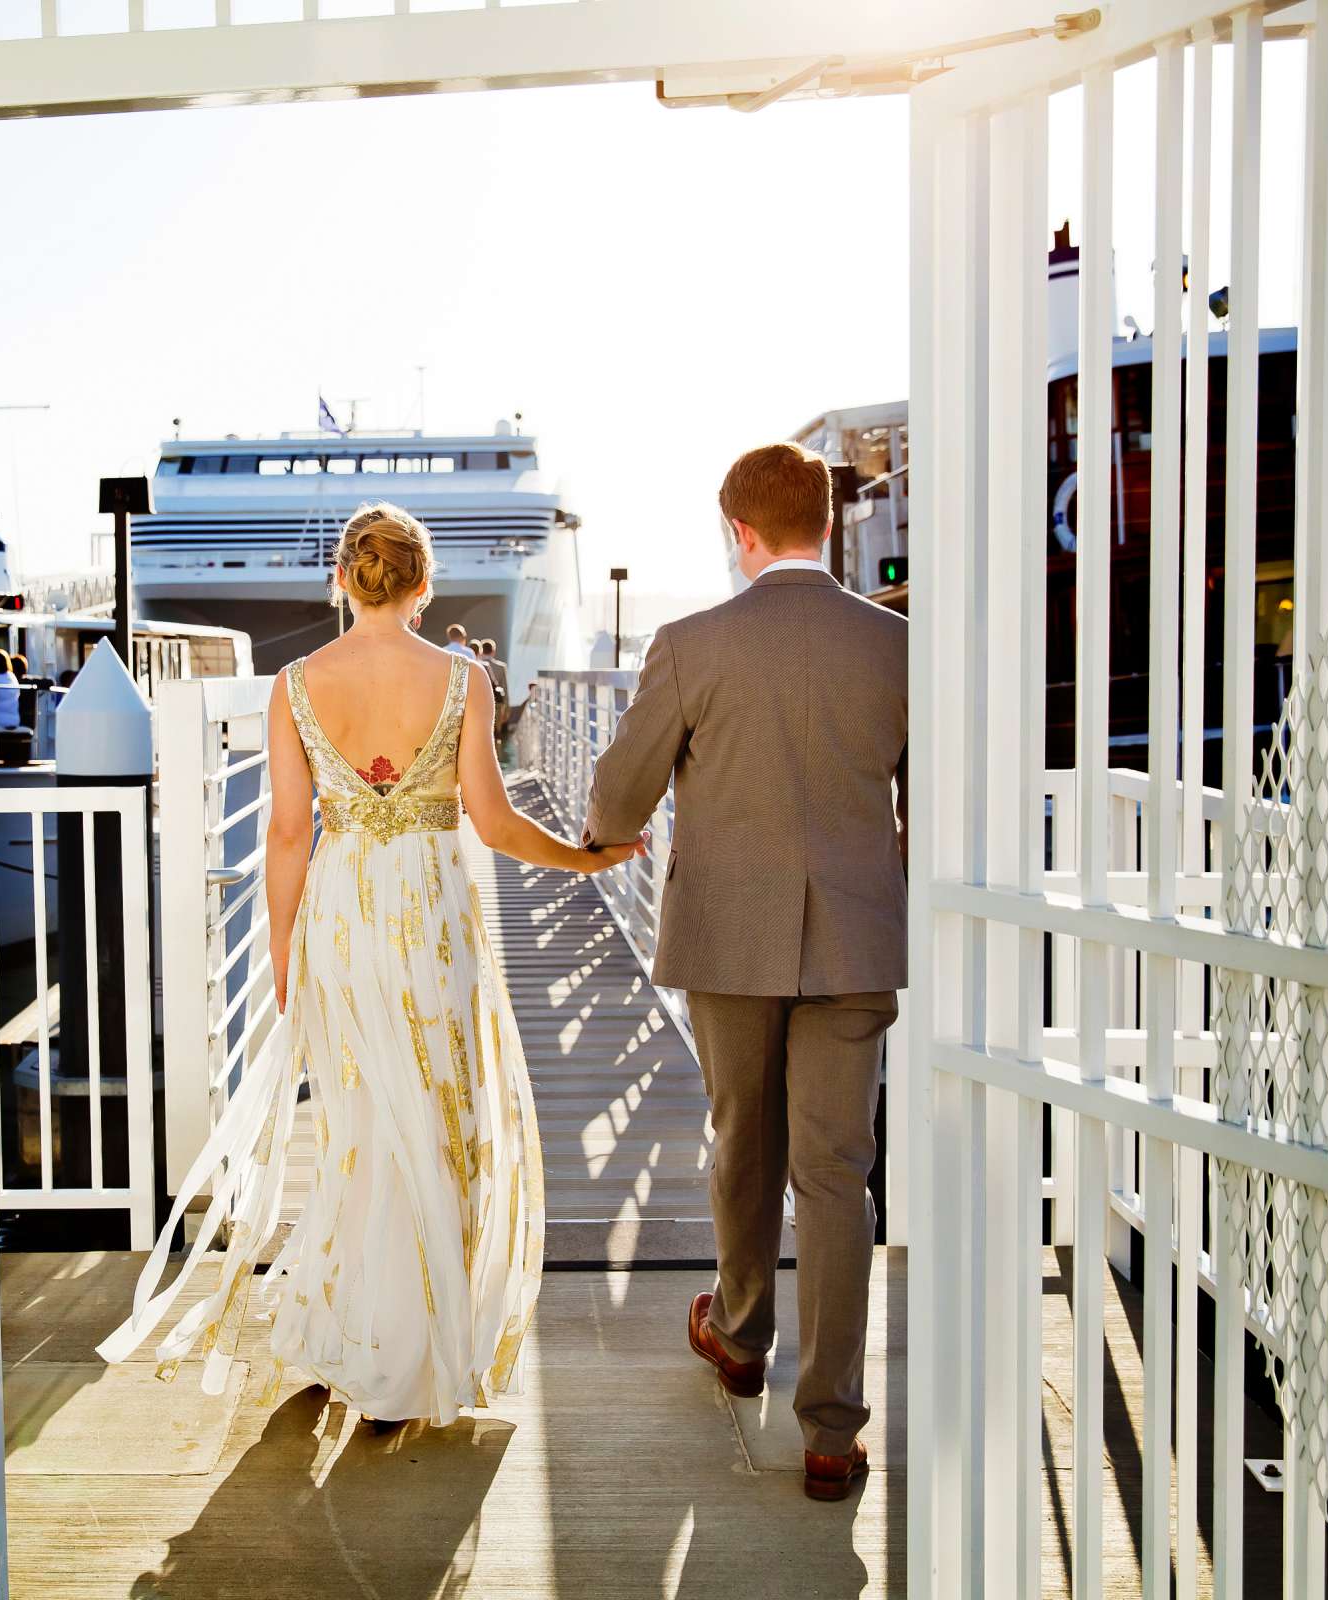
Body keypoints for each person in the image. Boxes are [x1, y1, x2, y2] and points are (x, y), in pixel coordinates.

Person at [102, 501, 644, 1425]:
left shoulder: (296, 683)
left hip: (342, 914)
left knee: (359, 1121)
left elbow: (284, 833)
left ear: (344, 580)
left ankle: (356, 1328)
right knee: (435, 1114)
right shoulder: (465, 679)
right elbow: (499, 822)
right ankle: (411, 1346)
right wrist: (586, 857)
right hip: (432, 913)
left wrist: (282, 946)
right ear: (424, 585)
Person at [582, 441, 906, 1503]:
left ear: (741, 533)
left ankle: (738, 1331)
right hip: (856, 937)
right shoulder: (895, 646)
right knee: (837, 1172)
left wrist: (605, 833)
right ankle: (832, 1428)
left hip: (728, 936)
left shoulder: (691, 642)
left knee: (743, 1141)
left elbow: (620, 795)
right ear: (827, 520)